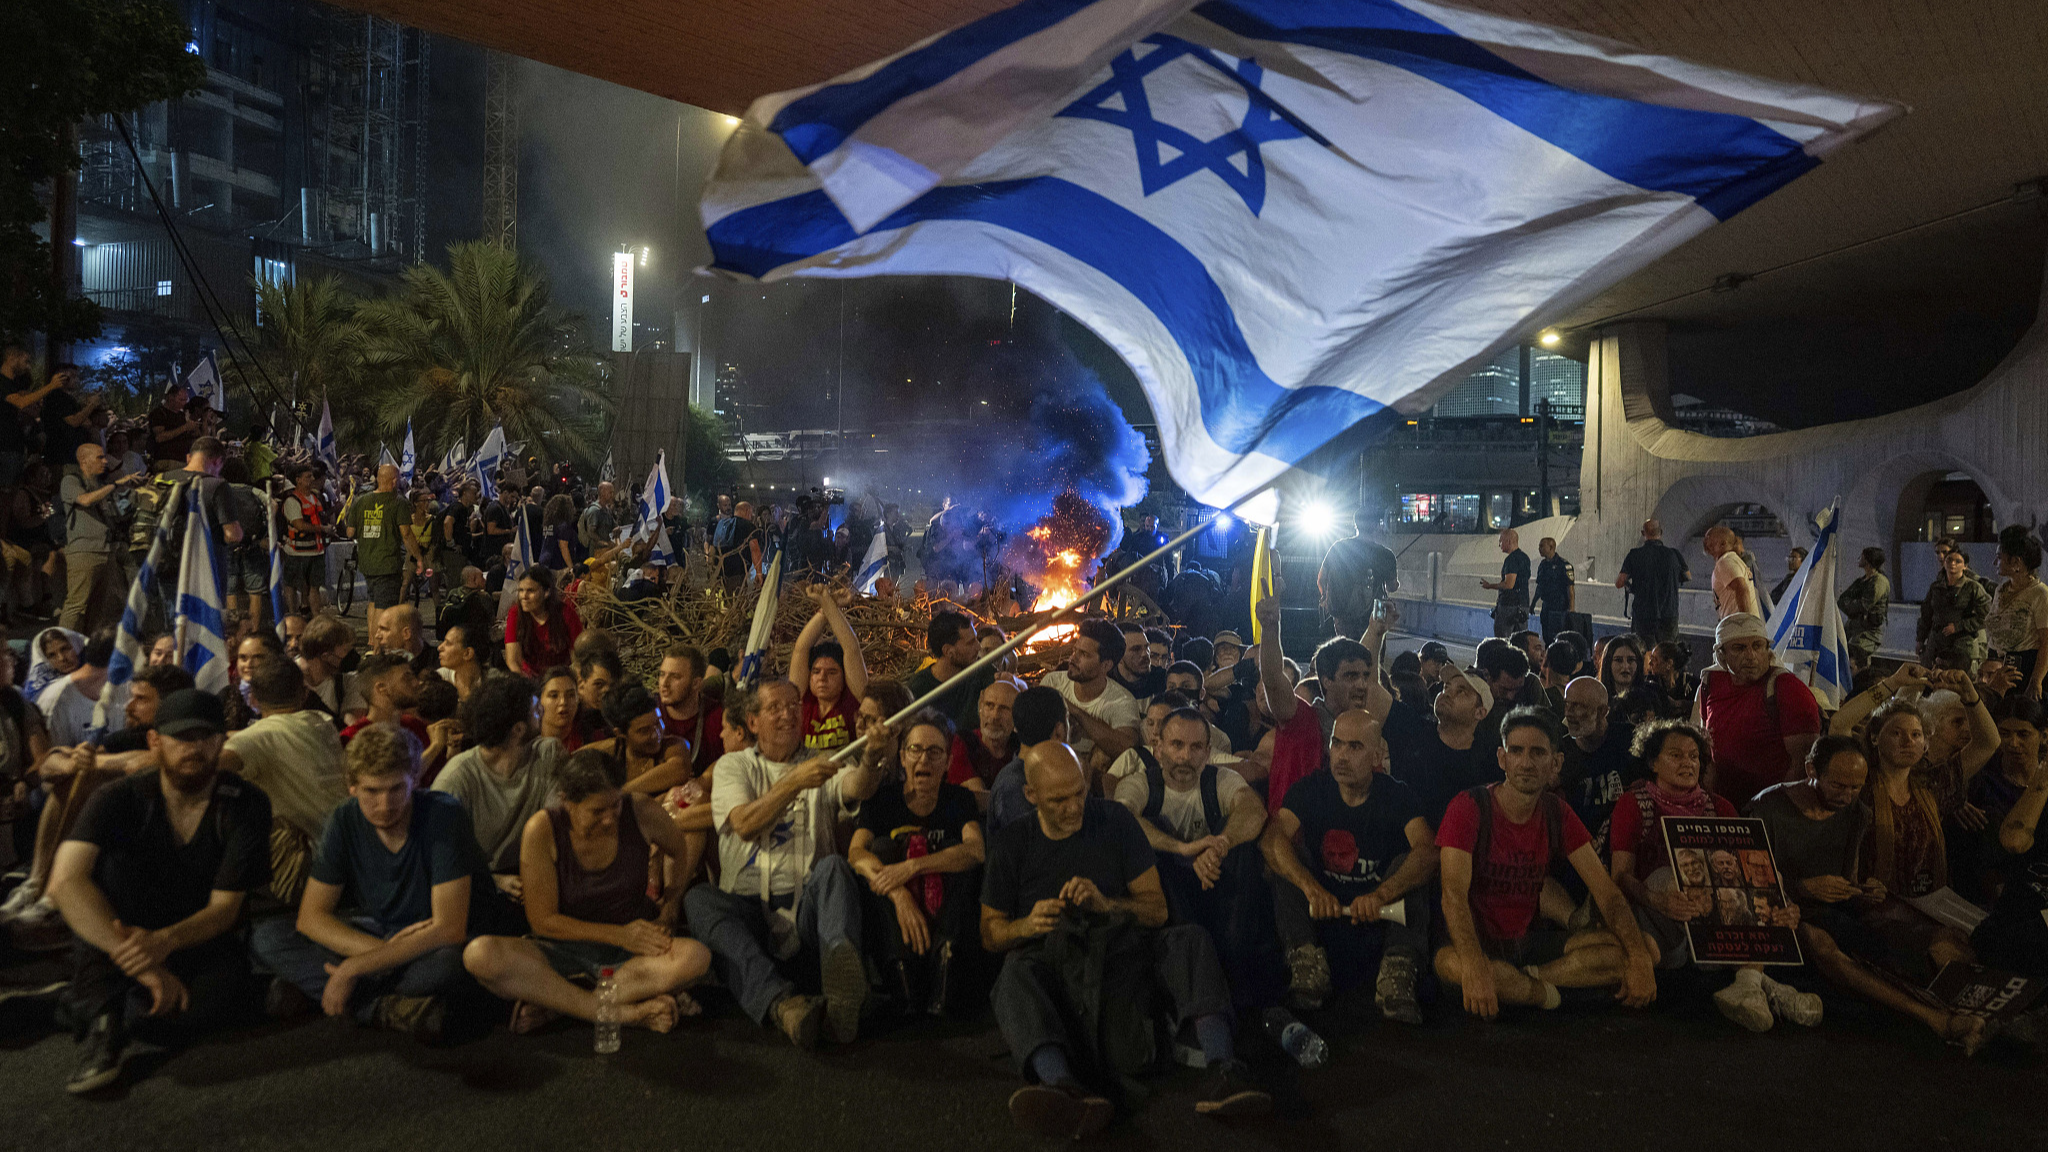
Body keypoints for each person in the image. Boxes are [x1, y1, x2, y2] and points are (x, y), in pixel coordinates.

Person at [981, 743, 1267, 1138]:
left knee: (1189, 940)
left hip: (1120, 952)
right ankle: (1059, 1085)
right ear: (1031, 796)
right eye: (1058, 800)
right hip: (1053, 959)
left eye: (1079, 793)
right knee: (1012, 973)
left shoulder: (1114, 819)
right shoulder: (1013, 843)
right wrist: (1026, 925)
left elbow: (1157, 911)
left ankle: (1225, 1067)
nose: (1073, 807)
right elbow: (990, 933)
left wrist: (1106, 903)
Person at [46, 690, 270, 1093]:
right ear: (155, 742)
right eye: (182, 738)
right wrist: (140, 960)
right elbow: (65, 880)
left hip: (193, 937)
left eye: (206, 737)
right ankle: (103, 1019)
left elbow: (225, 909)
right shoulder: (118, 797)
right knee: (97, 907)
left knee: (190, 1011)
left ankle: (82, 1004)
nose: (195, 748)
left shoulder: (245, 804)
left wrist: (164, 942)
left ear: (222, 741)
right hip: (118, 935)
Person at [250, 724, 497, 1039]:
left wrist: (356, 967)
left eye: (396, 789)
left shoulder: (443, 815)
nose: (384, 804)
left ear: (415, 780)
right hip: (384, 934)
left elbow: (450, 928)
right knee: (268, 937)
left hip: (433, 943)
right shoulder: (344, 818)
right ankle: (382, 1008)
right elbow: (311, 917)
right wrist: (380, 956)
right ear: (351, 786)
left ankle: (336, 990)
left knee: (450, 963)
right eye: (372, 791)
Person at [1749, 736, 1990, 1052]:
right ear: (1811, 770)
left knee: (1924, 933)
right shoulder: (1768, 809)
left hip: (1832, 909)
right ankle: (1934, 1018)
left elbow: (1850, 880)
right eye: (1838, 786)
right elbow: (1748, 879)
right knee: (1823, 946)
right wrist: (1802, 887)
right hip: (1782, 910)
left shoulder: (1855, 813)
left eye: (1855, 787)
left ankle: (1971, 1008)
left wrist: (1864, 889)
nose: (1847, 795)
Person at [681, 679, 883, 1048]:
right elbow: (742, 824)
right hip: (751, 915)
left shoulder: (821, 762)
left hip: (806, 915)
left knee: (835, 869)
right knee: (699, 900)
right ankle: (782, 1004)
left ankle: (842, 993)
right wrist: (793, 784)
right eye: (776, 707)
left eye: (793, 706)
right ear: (753, 721)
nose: (789, 714)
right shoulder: (733, 766)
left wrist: (871, 758)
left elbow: (856, 787)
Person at [463, 746, 711, 1036]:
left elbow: (679, 849)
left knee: (696, 957)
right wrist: (620, 934)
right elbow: (543, 921)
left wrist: (669, 907)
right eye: (597, 811)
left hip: (629, 957)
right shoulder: (542, 829)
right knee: (479, 955)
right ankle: (623, 1012)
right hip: (564, 950)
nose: (609, 818)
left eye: (615, 806)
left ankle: (562, 1003)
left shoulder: (641, 810)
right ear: (567, 802)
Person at [1432, 709, 1659, 1019]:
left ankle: (1526, 985)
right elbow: (1453, 895)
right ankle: (1551, 996)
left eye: (1537, 752)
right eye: (1516, 751)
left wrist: (1638, 957)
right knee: (1450, 966)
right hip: (1474, 942)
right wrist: (1473, 963)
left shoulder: (1556, 812)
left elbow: (1606, 891)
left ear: (1556, 763)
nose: (1526, 762)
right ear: (1502, 758)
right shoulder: (1470, 806)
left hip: (1530, 946)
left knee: (1646, 950)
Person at [1605, 720, 1818, 1031]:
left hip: (1715, 923)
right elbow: (1621, 876)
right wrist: (1657, 900)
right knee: (1670, 874)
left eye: (1694, 756)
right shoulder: (1634, 803)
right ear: (1653, 762)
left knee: (1762, 880)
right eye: (1676, 755)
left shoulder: (1719, 807)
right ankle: (1766, 989)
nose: (1688, 763)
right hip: (1660, 915)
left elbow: (1750, 869)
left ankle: (1749, 985)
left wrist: (1780, 905)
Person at [1262, 708, 1435, 1021]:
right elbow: (1273, 840)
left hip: (1381, 920)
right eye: (1336, 743)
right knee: (1287, 857)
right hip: (1321, 916)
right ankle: (1305, 963)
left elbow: (1427, 852)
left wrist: (1381, 895)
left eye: (1354, 747)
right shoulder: (1311, 789)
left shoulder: (1397, 795)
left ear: (1376, 755)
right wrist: (1311, 889)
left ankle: (1399, 970)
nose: (1341, 755)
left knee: (1409, 864)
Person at [1110, 707, 1269, 994]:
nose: (1185, 757)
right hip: (1170, 899)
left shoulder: (1219, 780)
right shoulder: (1141, 783)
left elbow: (1253, 809)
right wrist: (1182, 848)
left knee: (1243, 844)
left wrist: (1219, 845)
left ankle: (1238, 968)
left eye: (1195, 747)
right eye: (1177, 745)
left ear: (1207, 752)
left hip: (1217, 886)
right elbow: (1120, 822)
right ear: (1158, 748)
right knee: (1148, 832)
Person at [848, 711, 985, 1016]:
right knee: (880, 851)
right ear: (902, 758)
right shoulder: (882, 799)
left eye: (935, 752)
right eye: (916, 750)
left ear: (948, 762)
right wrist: (898, 893)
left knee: (956, 853)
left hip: (944, 911)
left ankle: (947, 958)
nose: (924, 760)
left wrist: (914, 866)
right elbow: (856, 853)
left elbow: (976, 850)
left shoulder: (959, 799)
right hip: (897, 919)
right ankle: (900, 966)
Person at [220, 658, 348, 900]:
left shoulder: (256, 740)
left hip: (308, 870)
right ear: (303, 694)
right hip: (347, 857)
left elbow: (202, 768)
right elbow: (277, 732)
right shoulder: (321, 721)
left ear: (253, 700)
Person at [432, 673, 567, 895]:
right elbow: (440, 858)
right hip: (478, 885)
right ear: (518, 730)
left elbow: (555, 825)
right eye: (535, 710)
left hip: (536, 871)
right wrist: (492, 881)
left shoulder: (548, 753)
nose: (541, 712)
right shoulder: (456, 779)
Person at [1694, 613, 1822, 806]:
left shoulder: (1788, 688)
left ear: (1768, 649)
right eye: (1739, 648)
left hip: (1768, 809)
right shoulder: (1711, 682)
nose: (1751, 656)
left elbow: (1802, 764)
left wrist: (1773, 811)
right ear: (1721, 654)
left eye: (1757, 646)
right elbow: (1706, 750)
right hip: (1724, 806)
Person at [1385, 666, 1500, 828]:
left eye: (1461, 691)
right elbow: (1371, 691)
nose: (1447, 693)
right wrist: (1378, 638)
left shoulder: (1490, 761)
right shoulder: (1411, 729)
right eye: (1446, 687)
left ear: (1480, 713)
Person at [1038, 618, 1141, 776]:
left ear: (1106, 665)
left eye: (1084, 654)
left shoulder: (1122, 702)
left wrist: (1075, 712)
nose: (1073, 659)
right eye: (1075, 651)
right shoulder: (1053, 682)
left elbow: (1127, 749)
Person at [344, 464, 427, 643]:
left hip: (366, 562)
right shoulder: (398, 502)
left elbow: (350, 532)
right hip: (387, 563)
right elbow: (406, 533)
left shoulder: (360, 501)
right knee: (384, 607)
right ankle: (377, 647)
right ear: (395, 481)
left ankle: (371, 643)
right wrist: (418, 557)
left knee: (373, 603)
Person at [58, 442, 136, 633]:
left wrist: (133, 494)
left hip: (105, 549)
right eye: (99, 457)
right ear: (84, 460)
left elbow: (115, 513)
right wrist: (115, 484)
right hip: (85, 550)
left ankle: (91, 647)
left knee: (102, 607)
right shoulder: (70, 481)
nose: (105, 461)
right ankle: (64, 643)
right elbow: (85, 500)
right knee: (77, 605)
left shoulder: (98, 485)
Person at [1556, 677, 1638, 852]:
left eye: (1578, 706)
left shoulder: (1630, 740)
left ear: (1603, 711)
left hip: (1623, 844)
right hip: (1577, 850)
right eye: (1567, 705)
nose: (1569, 713)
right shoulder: (1560, 753)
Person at [339, 653, 450, 776]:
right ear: (382, 688)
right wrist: (435, 747)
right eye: (407, 678)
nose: (416, 683)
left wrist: (452, 747)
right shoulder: (351, 738)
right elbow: (389, 784)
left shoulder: (416, 726)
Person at [789, 584, 868, 754]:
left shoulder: (854, 699)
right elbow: (801, 649)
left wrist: (829, 605)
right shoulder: (802, 700)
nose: (822, 677)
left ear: (844, 678)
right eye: (816, 672)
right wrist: (827, 606)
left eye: (832, 672)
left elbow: (851, 648)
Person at [904, 610, 993, 734]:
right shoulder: (918, 689)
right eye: (970, 643)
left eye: (976, 640)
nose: (978, 647)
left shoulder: (983, 673)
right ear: (948, 651)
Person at [1986, 526, 2048, 702]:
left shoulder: (2039, 594)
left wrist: (2036, 680)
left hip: (2023, 671)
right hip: (1998, 667)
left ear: (2016, 563)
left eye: (1999, 558)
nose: (1994, 563)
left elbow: (2046, 642)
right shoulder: (2001, 591)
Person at [1317, 510, 1398, 638]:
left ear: (1356, 524)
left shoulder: (1338, 547)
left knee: (1346, 653)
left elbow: (1321, 579)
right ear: (1377, 525)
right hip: (1374, 617)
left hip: (1342, 618)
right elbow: (1391, 587)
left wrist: (1325, 598)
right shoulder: (1386, 555)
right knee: (1372, 653)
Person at [1615, 519, 1690, 644]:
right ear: (1661, 532)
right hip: (1668, 613)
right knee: (1667, 652)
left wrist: (1630, 586)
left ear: (1643, 533)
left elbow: (1619, 582)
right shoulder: (1674, 554)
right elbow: (1687, 576)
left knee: (1643, 651)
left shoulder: (1634, 555)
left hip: (1643, 614)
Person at [1919, 544, 1991, 672]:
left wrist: (1959, 626)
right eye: (1949, 560)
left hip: (1962, 645)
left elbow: (1987, 615)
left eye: (1958, 561)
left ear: (1965, 566)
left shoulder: (1972, 587)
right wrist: (1920, 639)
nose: (1953, 564)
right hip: (1937, 643)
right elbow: (1926, 614)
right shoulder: (1936, 587)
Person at [656, 642, 723, 776]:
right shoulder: (649, 712)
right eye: (662, 674)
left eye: (675, 677)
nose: (664, 683)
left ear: (696, 684)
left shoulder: (717, 718)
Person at [38, 629, 113, 747]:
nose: (62, 658)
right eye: (52, 655)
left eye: (65, 649)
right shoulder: (51, 694)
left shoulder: (105, 673)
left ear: (77, 646)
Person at [947, 677, 1020, 801]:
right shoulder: (963, 742)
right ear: (980, 708)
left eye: (1004, 709)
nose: (995, 715)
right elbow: (977, 797)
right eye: (989, 705)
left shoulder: (1020, 746)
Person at [503, 567, 583, 677]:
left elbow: (577, 658)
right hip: (528, 679)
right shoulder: (516, 613)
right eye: (520, 590)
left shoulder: (566, 613)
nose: (523, 596)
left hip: (561, 677)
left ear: (546, 592)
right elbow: (513, 660)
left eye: (530, 591)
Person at [0, 342, 62, 485]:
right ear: (12, 357)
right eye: (26, 361)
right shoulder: (3, 382)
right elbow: (21, 402)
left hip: (14, 447)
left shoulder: (12, 384)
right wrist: (51, 386)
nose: (28, 366)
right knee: (5, 495)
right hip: (5, 448)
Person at [278, 464, 332, 618]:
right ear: (298, 480)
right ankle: (293, 615)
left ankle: (315, 616)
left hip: (316, 550)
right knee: (292, 584)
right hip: (296, 552)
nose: (312, 479)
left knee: (314, 585)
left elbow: (320, 518)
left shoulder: (315, 498)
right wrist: (322, 529)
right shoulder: (292, 501)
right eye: (308, 477)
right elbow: (299, 524)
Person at [295, 613, 356, 729]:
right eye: (344, 650)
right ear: (326, 656)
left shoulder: (342, 683)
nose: (348, 655)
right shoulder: (291, 680)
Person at [1839, 546, 1893, 671]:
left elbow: (1863, 605)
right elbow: (1842, 599)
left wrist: (1852, 606)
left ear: (1868, 560)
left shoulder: (1879, 582)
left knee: (1857, 660)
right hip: (1855, 628)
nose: (1860, 559)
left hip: (1869, 631)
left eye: (1862, 556)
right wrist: (1853, 607)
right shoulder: (1862, 581)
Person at [1479, 529, 1530, 638]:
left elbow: (1508, 584)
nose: (1499, 545)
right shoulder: (1525, 558)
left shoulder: (1511, 560)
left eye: (1501, 541)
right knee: (1520, 641)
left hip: (1508, 607)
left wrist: (1490, 586)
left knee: (1502, 641)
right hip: (1523, 605)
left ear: (1509, 541)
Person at [1703, 525, 1760, 621]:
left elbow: (1741, 589)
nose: (1705, 541)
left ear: (1723, 544)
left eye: (1709, 537)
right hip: (1738, 628)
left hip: (1739, 629)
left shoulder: (1725, 561)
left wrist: (1745, 623)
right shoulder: (1732, 560)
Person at [1530, 537, 1576, 644]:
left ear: (1551, 547)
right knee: (1547, 637)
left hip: (1560, 607)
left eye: (1542, 546)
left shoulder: (1564, 565)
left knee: (1559, 638)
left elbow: (1570, 589)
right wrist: (1533, 603)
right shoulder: (1543, 565)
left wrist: (1571, 609)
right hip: (1547, 606)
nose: (1539, 549)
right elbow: (1540, 586)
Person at [1110, 620, 1165, 701]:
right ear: (1118, 655)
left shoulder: (1161, 680)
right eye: (1136, 649)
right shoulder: (1105, 683)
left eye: (1147, 647)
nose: (1145, 654)